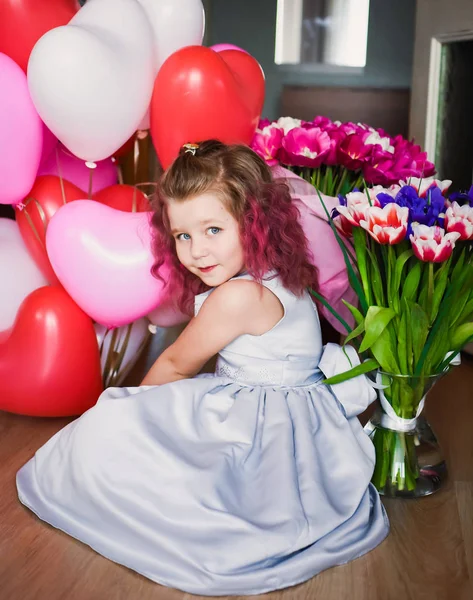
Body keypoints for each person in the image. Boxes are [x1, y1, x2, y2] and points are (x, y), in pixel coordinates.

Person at [16, 140, 389, 596]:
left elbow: (174, 363)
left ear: (252, 221)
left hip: (264, 429)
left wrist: (121, 418)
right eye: (183, 235)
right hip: (299, 422)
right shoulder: (281, 274)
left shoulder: (237, 297)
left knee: (105, 434)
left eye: (213, 229)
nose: (195, 251)